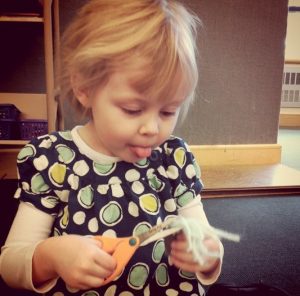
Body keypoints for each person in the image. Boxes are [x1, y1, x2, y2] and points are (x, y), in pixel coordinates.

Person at [0, 0, 224, 295]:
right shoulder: (55, 160)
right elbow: (11, 262)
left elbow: (205, 236)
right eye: (132, 109)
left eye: (168, 111)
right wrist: (52, 255)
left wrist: (208, 255)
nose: (152, 129)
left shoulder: (173, 160)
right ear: (83, 87)